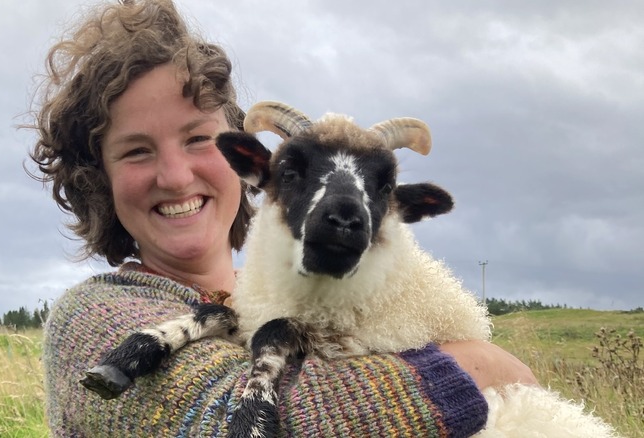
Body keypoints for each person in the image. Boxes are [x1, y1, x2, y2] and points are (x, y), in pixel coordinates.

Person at [29, 1, 536, 436]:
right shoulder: (90, 320)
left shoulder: (301, 306)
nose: (177, 177)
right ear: (99, 182)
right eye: (136, 151)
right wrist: (481, 365)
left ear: (248, 164)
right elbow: (252, 420)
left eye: (197, 139)